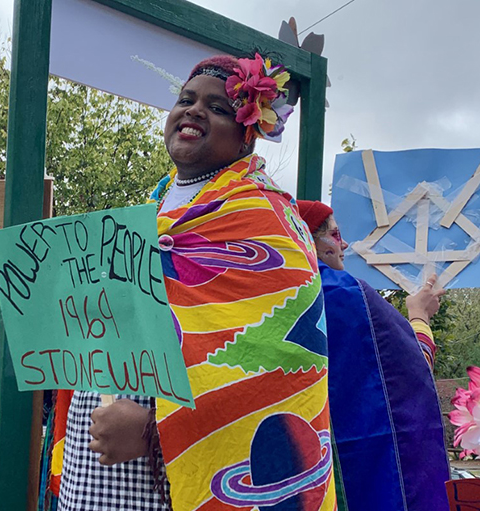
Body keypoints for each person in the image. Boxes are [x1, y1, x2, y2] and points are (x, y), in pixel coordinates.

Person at [57, 54, 336, 511]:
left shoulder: (265, 218)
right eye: (185, 99)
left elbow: (280, 368)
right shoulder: (153, 207)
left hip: (176, 468)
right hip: (97, 461)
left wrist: (152, 431)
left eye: (218, 107)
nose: (193, 110)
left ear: (250, 130)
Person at [297, 199, 450, 511]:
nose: (345, 244)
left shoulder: (256, 298)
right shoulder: (348, 299)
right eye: (336, 235)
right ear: (312, 242)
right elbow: (410, 374)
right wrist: (419, 316)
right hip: (354, 483)